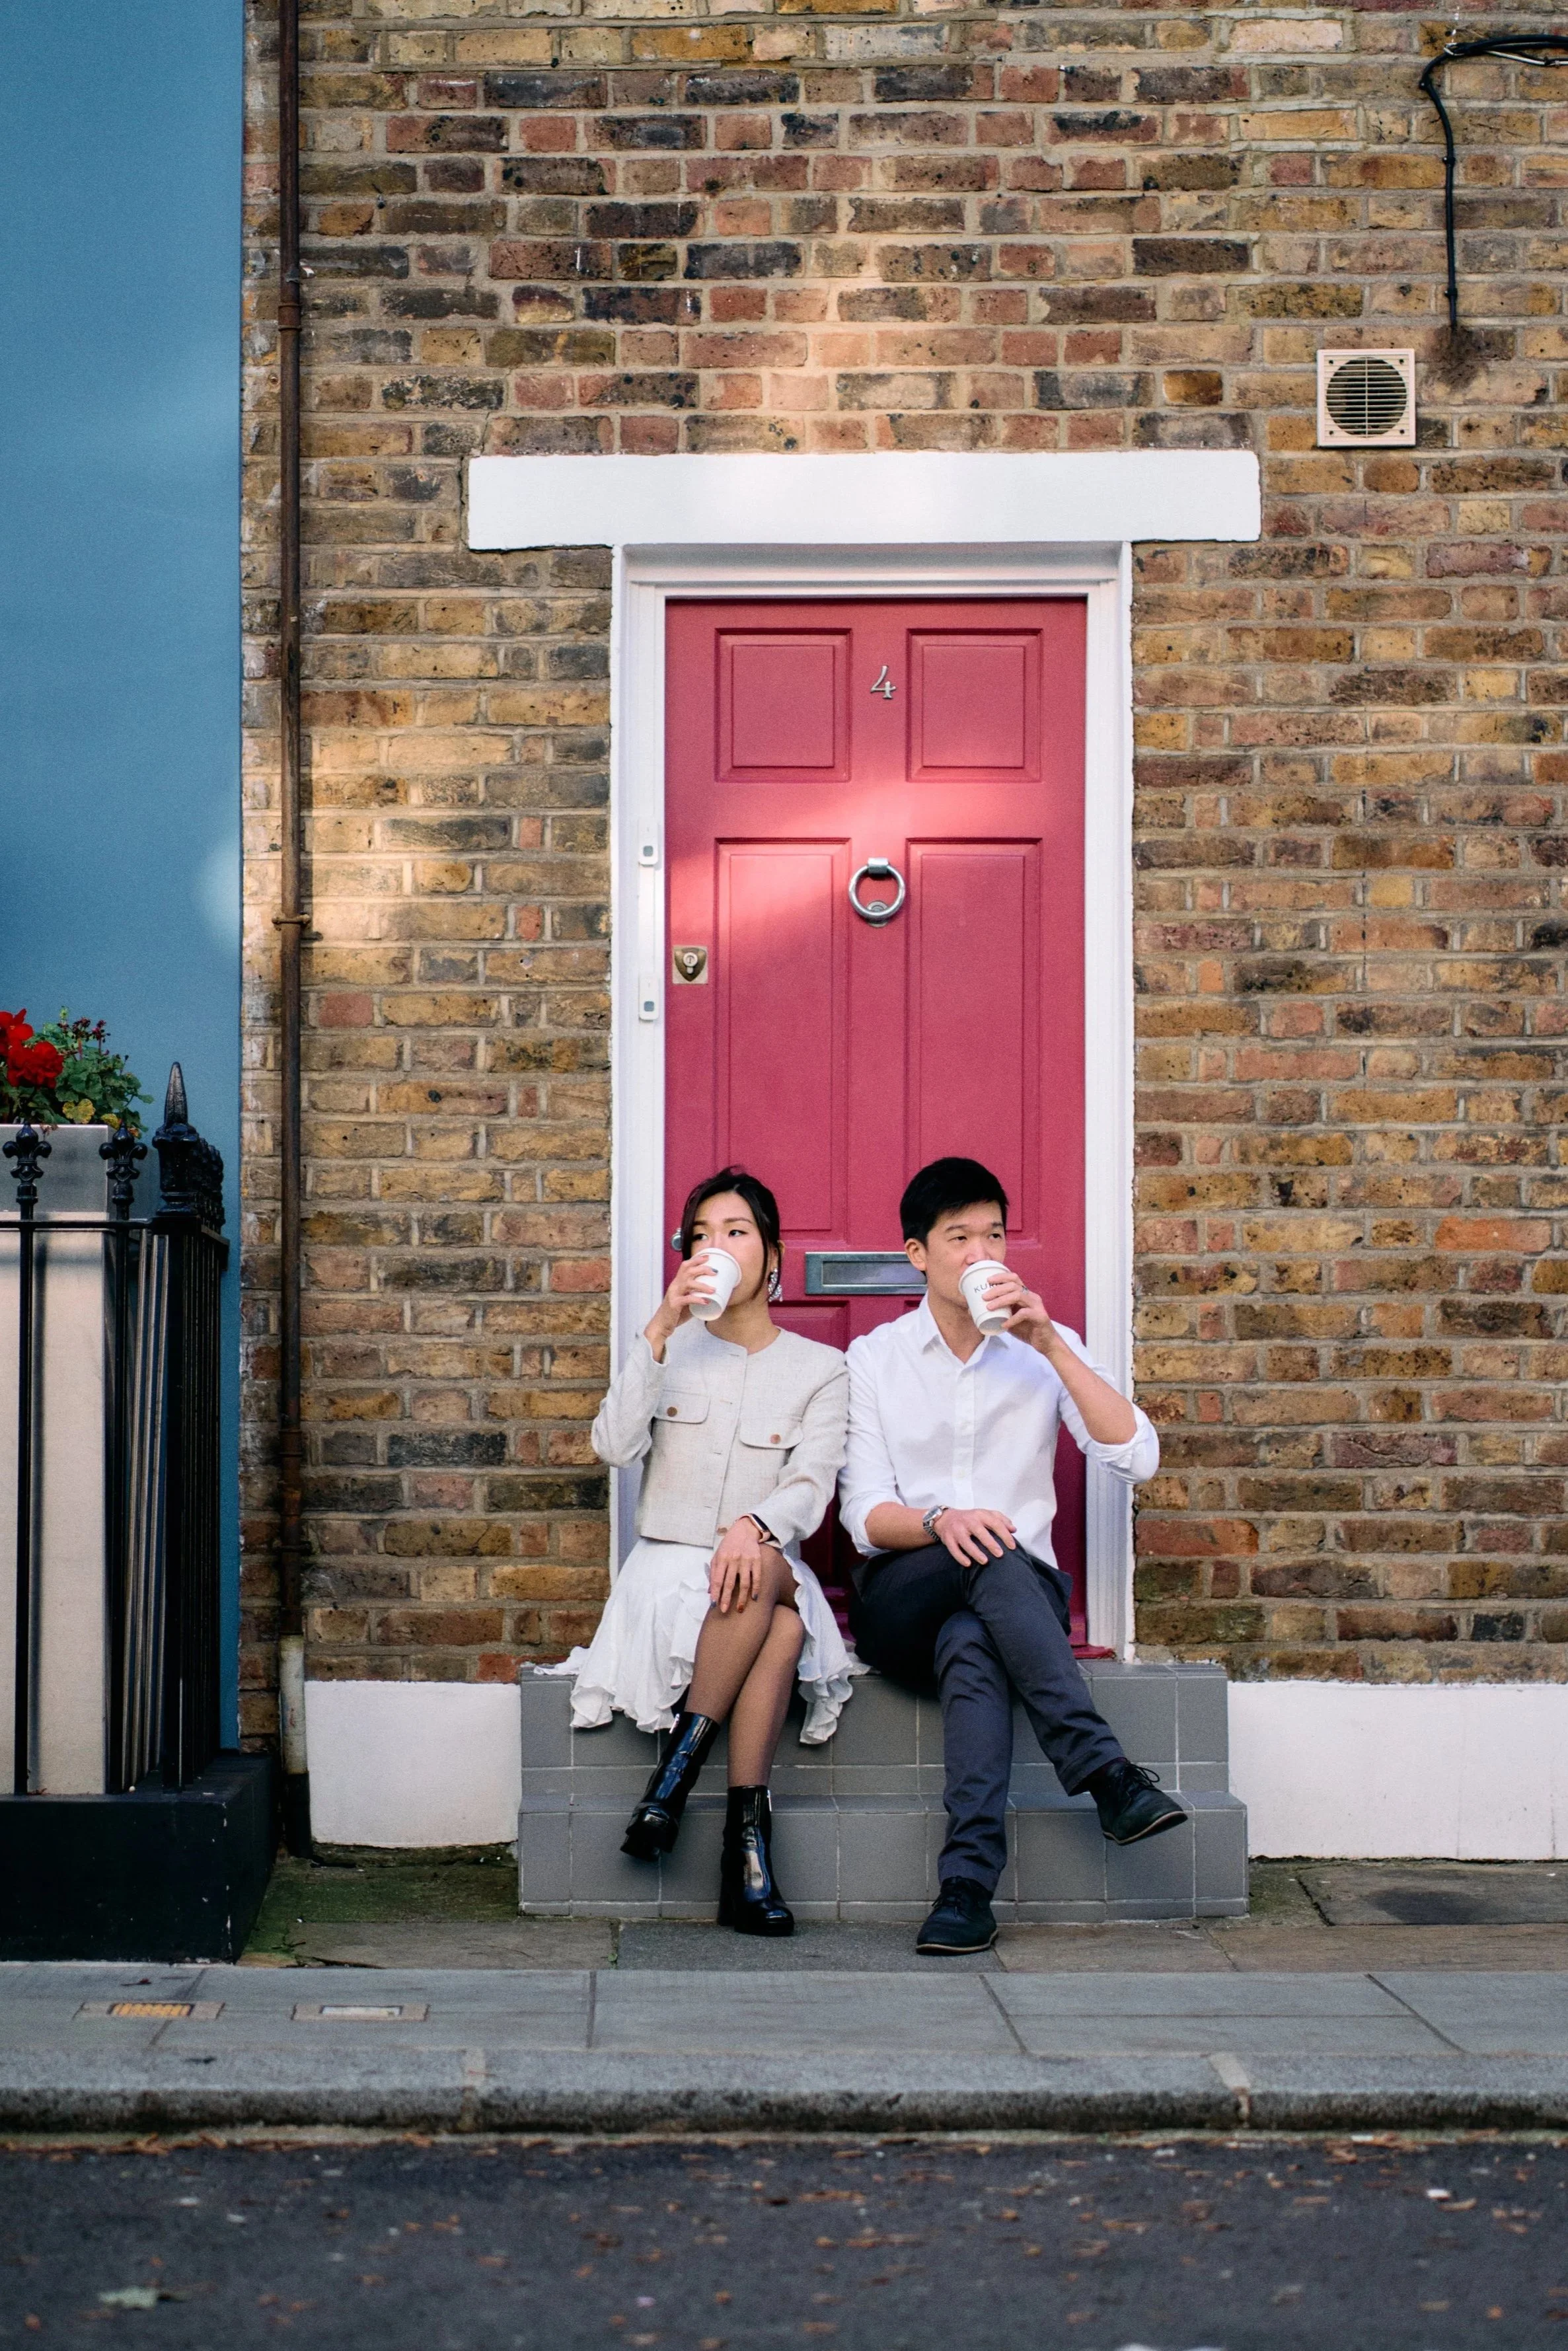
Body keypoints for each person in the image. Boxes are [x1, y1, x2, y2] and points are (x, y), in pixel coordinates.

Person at [839, 1155, 1181, 1957]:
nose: (981, 1252)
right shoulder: (875, 1358)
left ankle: (965, 1892)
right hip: (902, 1596)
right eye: (959, 1237)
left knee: (975, 1638)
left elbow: (1138, 1456)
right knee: (986, 1550)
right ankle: (1106, 1773)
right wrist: (941, 1521)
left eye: (993, 1235)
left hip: (1012, 1603)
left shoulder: (1043, 1348)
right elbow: (864, 1516)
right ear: (918, 1254)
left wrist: (1051, 1345)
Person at [559, 1166, 854, 1937]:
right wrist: (659, 1328)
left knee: (758, 1574)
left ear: (772, 1254)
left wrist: (754, 1526)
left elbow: (812, 1484)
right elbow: (613, 1447)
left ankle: (672, 1786)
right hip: (670, 1572)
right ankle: (745, 1854)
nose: (715, 1247)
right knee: (781, 1623)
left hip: (763, 1561)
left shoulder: (822, 1370)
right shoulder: (669, 1348)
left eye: (735, 1232)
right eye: (700, 1237)